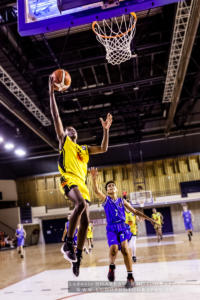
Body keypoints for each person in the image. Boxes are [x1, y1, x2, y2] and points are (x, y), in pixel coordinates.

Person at [49, 76, 112, 277]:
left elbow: (103, 148)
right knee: (81, 206)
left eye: (73, 129)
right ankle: (67, 243)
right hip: (68, 179)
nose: (71, 129)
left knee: (86, 221)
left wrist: (106, 131)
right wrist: (51, 93)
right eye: (68, 129)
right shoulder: (64, 142)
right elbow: (56, 116)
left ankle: (77, 256)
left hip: (82, 185)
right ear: (65, 135)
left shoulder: (84, 149)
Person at [90, 167, 156, 288]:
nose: (111, 187)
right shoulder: (106, 200)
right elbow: (96, 191)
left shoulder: (122, 201)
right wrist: (94, 179)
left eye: (112, 186)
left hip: (123, 228)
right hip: (111, 228)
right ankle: (111, 267)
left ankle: (130, 277)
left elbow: (135, 211)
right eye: (108, 186)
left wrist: (150, 219)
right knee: (114, 248)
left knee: (125, 250)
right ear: (107, 190)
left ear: (116, 188)